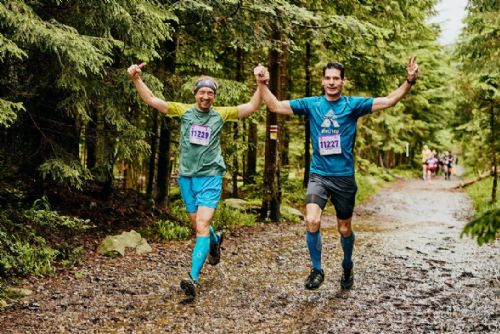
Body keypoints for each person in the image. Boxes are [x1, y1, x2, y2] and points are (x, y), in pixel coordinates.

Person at [255, 56, 419, 290]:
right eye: (328, 78)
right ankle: (317, 269)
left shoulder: (353, 105)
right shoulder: (312, 104)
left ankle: (347, 264)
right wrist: (262, 83)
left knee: (344, 228)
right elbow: (275, 106)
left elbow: (390, 100)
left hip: (343, 178)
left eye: (336, 79)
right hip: (318, 175)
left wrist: (409, 81)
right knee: (311, 220)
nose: (332, 82)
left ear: (343, 82)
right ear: (322, 81)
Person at [127, 63, 267, 298]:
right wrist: (136, 79)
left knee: (201, 225)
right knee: (199, 226)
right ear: (195, 94)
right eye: (202, 92)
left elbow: (252, 106)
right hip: (186, 178)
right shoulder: (183, 111)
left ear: (213, 96)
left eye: (210, 93)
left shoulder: (220, 114)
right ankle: (215, 240)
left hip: (211, 177)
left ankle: (192, 277)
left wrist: (261, 83)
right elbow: (152, 99)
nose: (206, 96)